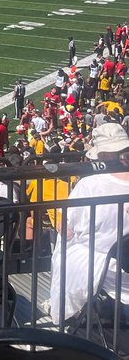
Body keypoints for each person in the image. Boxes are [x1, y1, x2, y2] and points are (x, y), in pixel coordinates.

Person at [49, 122, 129, 326]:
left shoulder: (90, 184)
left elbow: (65, 229)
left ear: (101, 156)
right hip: (121, 263)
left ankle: (62, 310)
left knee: (64, 249)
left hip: (106, 266)